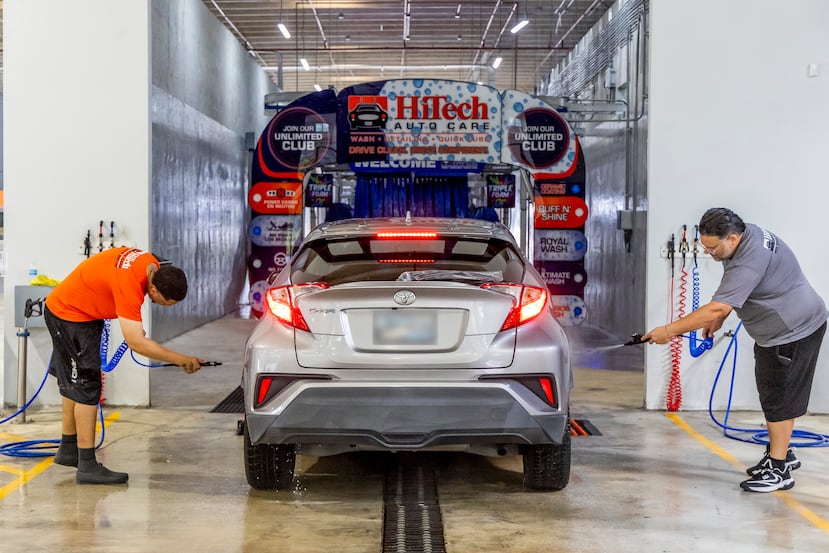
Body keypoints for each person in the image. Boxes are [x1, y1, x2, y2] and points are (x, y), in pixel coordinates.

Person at [642, 208, 827, 493]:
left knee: (779, 397)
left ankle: (778, 470)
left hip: (791, 330)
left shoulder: (749, 259)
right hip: (789, 326)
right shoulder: (746, 236)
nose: (709, 253)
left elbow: (719, 303)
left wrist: (668, 331)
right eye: (704, 246)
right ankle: (782, 454)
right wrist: (719, 318)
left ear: (731, 237)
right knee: (776, 392)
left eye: (713, 247)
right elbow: (732, 294)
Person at [44, 247, 204, 485]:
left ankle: (69, 448)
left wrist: (136, 329)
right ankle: (87, 465)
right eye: (164, 302)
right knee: (86, 386)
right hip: (69, 316)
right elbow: (136, 343)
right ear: (153, 289)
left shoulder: (150, 264)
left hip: (78, 313)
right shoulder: (130, 286)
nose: (162, 306)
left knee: (75, 383)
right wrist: (181, 359)